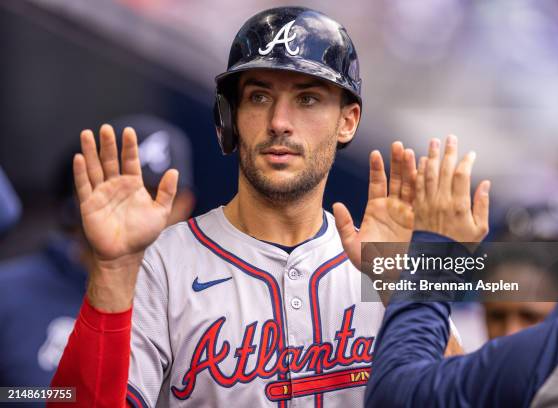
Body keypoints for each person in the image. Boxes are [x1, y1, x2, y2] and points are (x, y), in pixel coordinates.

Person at [51, 7, 463, 407]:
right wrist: (112, 270)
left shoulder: (382, 265)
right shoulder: (162, 264)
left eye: (307, 99)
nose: (280, 121)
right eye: (260, 96)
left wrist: (404, 285)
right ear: (230, 117)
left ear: (348, 121)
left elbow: (458, 397)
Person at [365, 139, 558, 408]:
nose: (509, 333)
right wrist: (399, 276)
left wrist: (431, 256)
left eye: (529, 316)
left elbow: (398, 395)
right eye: (496, 315)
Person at [0, 115, 195, 402]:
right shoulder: (8, 293)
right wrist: (60, 396)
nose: (137, 210)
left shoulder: (206, 303)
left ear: (185, 205)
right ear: (78, 197)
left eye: (157, 195)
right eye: (120, 192)